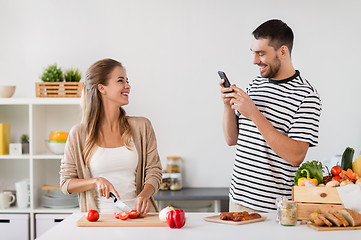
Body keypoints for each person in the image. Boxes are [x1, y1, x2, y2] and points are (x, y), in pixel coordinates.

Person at [220, 19, 321, 212]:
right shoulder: (255, 85)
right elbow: (231, 139)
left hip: (272, 209)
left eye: (261, 53)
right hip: (237, 201)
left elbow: (296, 156)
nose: (255, 61)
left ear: (282, 51)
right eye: (253, 53)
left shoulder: (307, 96)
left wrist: (255, 115)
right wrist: (227, 106)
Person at [60, 58, 162, 215]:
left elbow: (154, 172)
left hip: (140, 218)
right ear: (102, 88)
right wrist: (96, 181)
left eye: (127, 81)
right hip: (99, 221)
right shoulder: (78, 134)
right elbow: (66, 183)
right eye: (120, 80)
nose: (127, 86)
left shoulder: (142, 126)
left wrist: (144, 195)